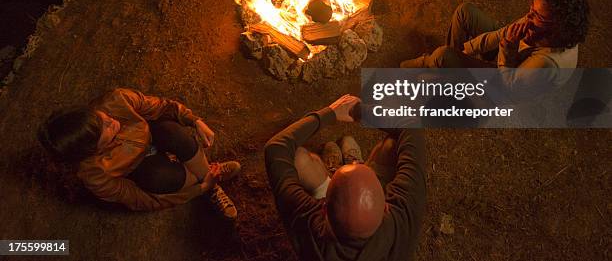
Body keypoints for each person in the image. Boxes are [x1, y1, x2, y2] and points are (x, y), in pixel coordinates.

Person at [265, 94, 426, 261]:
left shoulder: (309, 228)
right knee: (392, 145)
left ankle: (332, 175)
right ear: (386, 206)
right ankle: (354, 173)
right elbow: (410, 125)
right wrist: (360, 110)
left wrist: (332, 113)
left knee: (296, 157)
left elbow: (276, 147)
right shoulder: (402, 219)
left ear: (324, 208)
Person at [38, 88, 241, 219]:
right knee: (159, 177)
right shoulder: (94, 173)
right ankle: (208, 184)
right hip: (144, 167)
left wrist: (194, 121)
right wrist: (200, 189)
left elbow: (162, 107)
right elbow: (142, 199)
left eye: (101, 118)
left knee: (171, 132)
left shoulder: (116, 100)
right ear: (94, 150)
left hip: (155, 135)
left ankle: (211, 181)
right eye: (106, 131)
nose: (111, 120)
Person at [400, 0, 590, 91]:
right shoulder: (538, 19)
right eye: (531, 8)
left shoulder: (548, 64)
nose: (528, 16)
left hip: (505, 82)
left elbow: (507, 88)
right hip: (508, 58)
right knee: (465, 12)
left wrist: (507, 51)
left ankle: (422, 67)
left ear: (557, 25)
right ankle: (446, 71)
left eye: (537, 15)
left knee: (443, 55)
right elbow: (501, 34)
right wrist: (466, 51)